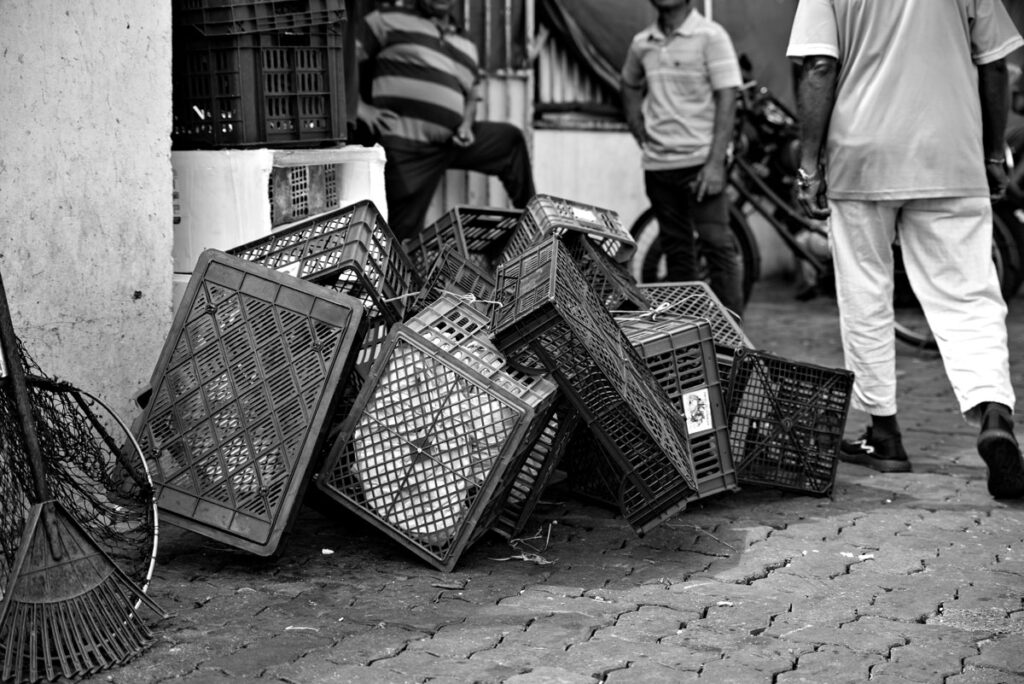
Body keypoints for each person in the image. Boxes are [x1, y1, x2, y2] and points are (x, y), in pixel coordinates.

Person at [787, 0, 1024, 498]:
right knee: (969, 294)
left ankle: (885, 435)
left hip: (862, 156)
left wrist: (809, 164)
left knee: (865, 294)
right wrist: (991, 153)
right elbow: (995, 63)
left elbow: (819, 66)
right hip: (951, 154)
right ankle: (994, 412)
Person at [354, 0, 536, 241]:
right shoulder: (386, 19)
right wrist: (359, 108)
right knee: (400, 234)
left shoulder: (467, 43)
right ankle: (400, 263)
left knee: (509, 141)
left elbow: (471, 95)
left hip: (453, 142)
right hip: (406, 146)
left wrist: (466, 125)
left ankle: (534, 228)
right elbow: (348, 57)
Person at [620, 0, 746, 317]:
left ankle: (733, 337)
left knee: (717, 246)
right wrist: (635, 123)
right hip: (658, 166)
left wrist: (715, 163)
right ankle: (687, 331)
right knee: (676, 251)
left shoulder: (711, 36)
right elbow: (629, 83)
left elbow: (728, 97)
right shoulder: (642, 42)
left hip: (701, 163)